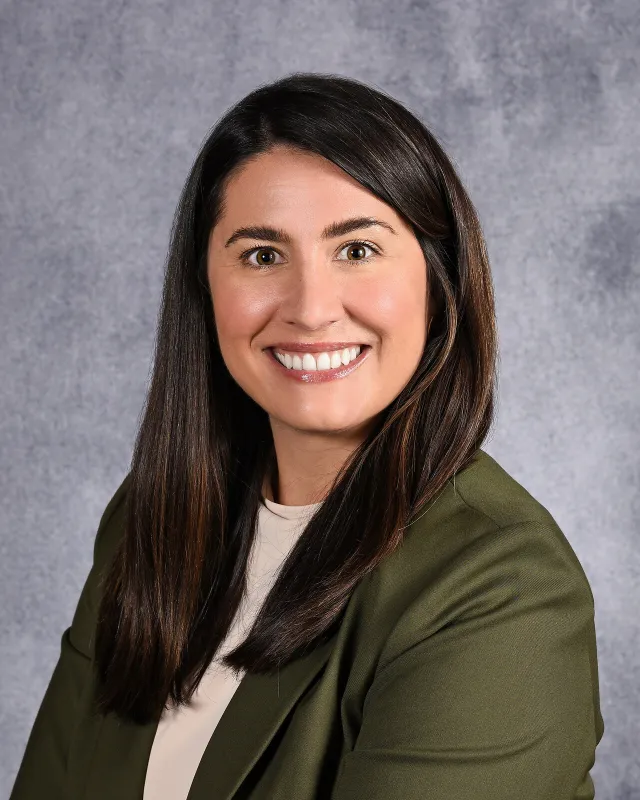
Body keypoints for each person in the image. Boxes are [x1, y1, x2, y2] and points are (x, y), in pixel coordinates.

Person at [10, 72, 605, 800]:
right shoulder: (151, 518)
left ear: (437, 280)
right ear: (205, 287)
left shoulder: (502, 590)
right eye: (263, 255)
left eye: (356, 250)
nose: (312, 309)